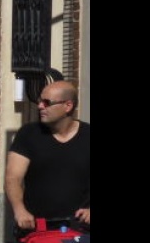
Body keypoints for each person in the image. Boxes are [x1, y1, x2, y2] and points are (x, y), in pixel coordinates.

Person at [5, 80, 91, 232]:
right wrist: (20, 210)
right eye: (40, 101)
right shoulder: (28, 134)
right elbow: (13, 178)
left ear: (68, 106)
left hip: (80, 231)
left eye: (46, 102)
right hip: (38, 230)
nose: (40, 106)